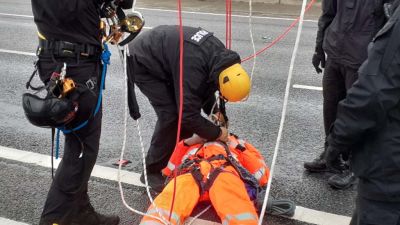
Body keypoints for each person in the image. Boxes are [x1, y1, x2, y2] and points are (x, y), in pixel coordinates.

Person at [31, 0, 132, 224]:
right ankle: (54, 218)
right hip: (76, 67)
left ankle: (80, 211)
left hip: (54, 62)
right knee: (81, 150)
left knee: (78, 143)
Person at [126, 25, 251, 191]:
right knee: (172, 116)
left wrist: (215, 111)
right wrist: (217, 133)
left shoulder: (223, 60)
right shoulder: (193, 66)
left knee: (183, 121)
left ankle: (174, 162)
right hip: (144, 60)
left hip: (169, 59)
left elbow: (205, 86)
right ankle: (151, 171)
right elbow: (188, 114)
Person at [325, 1, 400, 224]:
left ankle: (345, 164)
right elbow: (329, 13)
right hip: (338, 51)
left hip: (388, 177)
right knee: (331, 101)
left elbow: (372, 93)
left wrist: (337, 141)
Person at [305, 0, 389, 189]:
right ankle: (330, 154)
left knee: (357, 114)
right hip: (335, 52)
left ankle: (354, 164)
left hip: (362, 60)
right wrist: (319, 48)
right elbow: (328, 14)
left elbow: (390, 26)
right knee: (331, 107)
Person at [140, 130, 270, 225]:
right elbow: (169, 171)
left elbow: (262, 175)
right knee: (166, 204)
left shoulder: (238, 143)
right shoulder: (192, 142)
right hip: (192, 172)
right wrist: (186, 143)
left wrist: (236, 145)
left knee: (240, 213)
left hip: (224, 173)